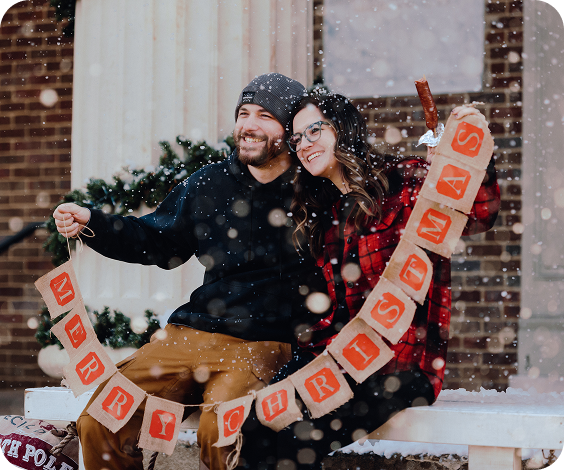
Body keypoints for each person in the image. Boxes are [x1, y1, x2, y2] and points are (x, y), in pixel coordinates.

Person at [52, 73, 329, 470]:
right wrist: (91, 221)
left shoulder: (314, 189)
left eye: (265, 116)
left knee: (223, 434)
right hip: (189, 335)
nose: (248, 125)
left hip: (265, 341)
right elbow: (158, 241)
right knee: (102, 419)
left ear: (291, 130)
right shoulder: (209, 184)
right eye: (244, 113)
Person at [238, 91, 501, 469]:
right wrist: (296, 366)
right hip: (339, 359)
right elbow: (335, 309)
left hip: (400, 368)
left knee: (296, 443)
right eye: (296, 139)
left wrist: (463, 155)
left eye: (314, 130)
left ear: (342, 129)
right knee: (256, 423)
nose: (304, 144)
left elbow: (480, 211)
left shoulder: (404, 181)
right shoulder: (324, 216)